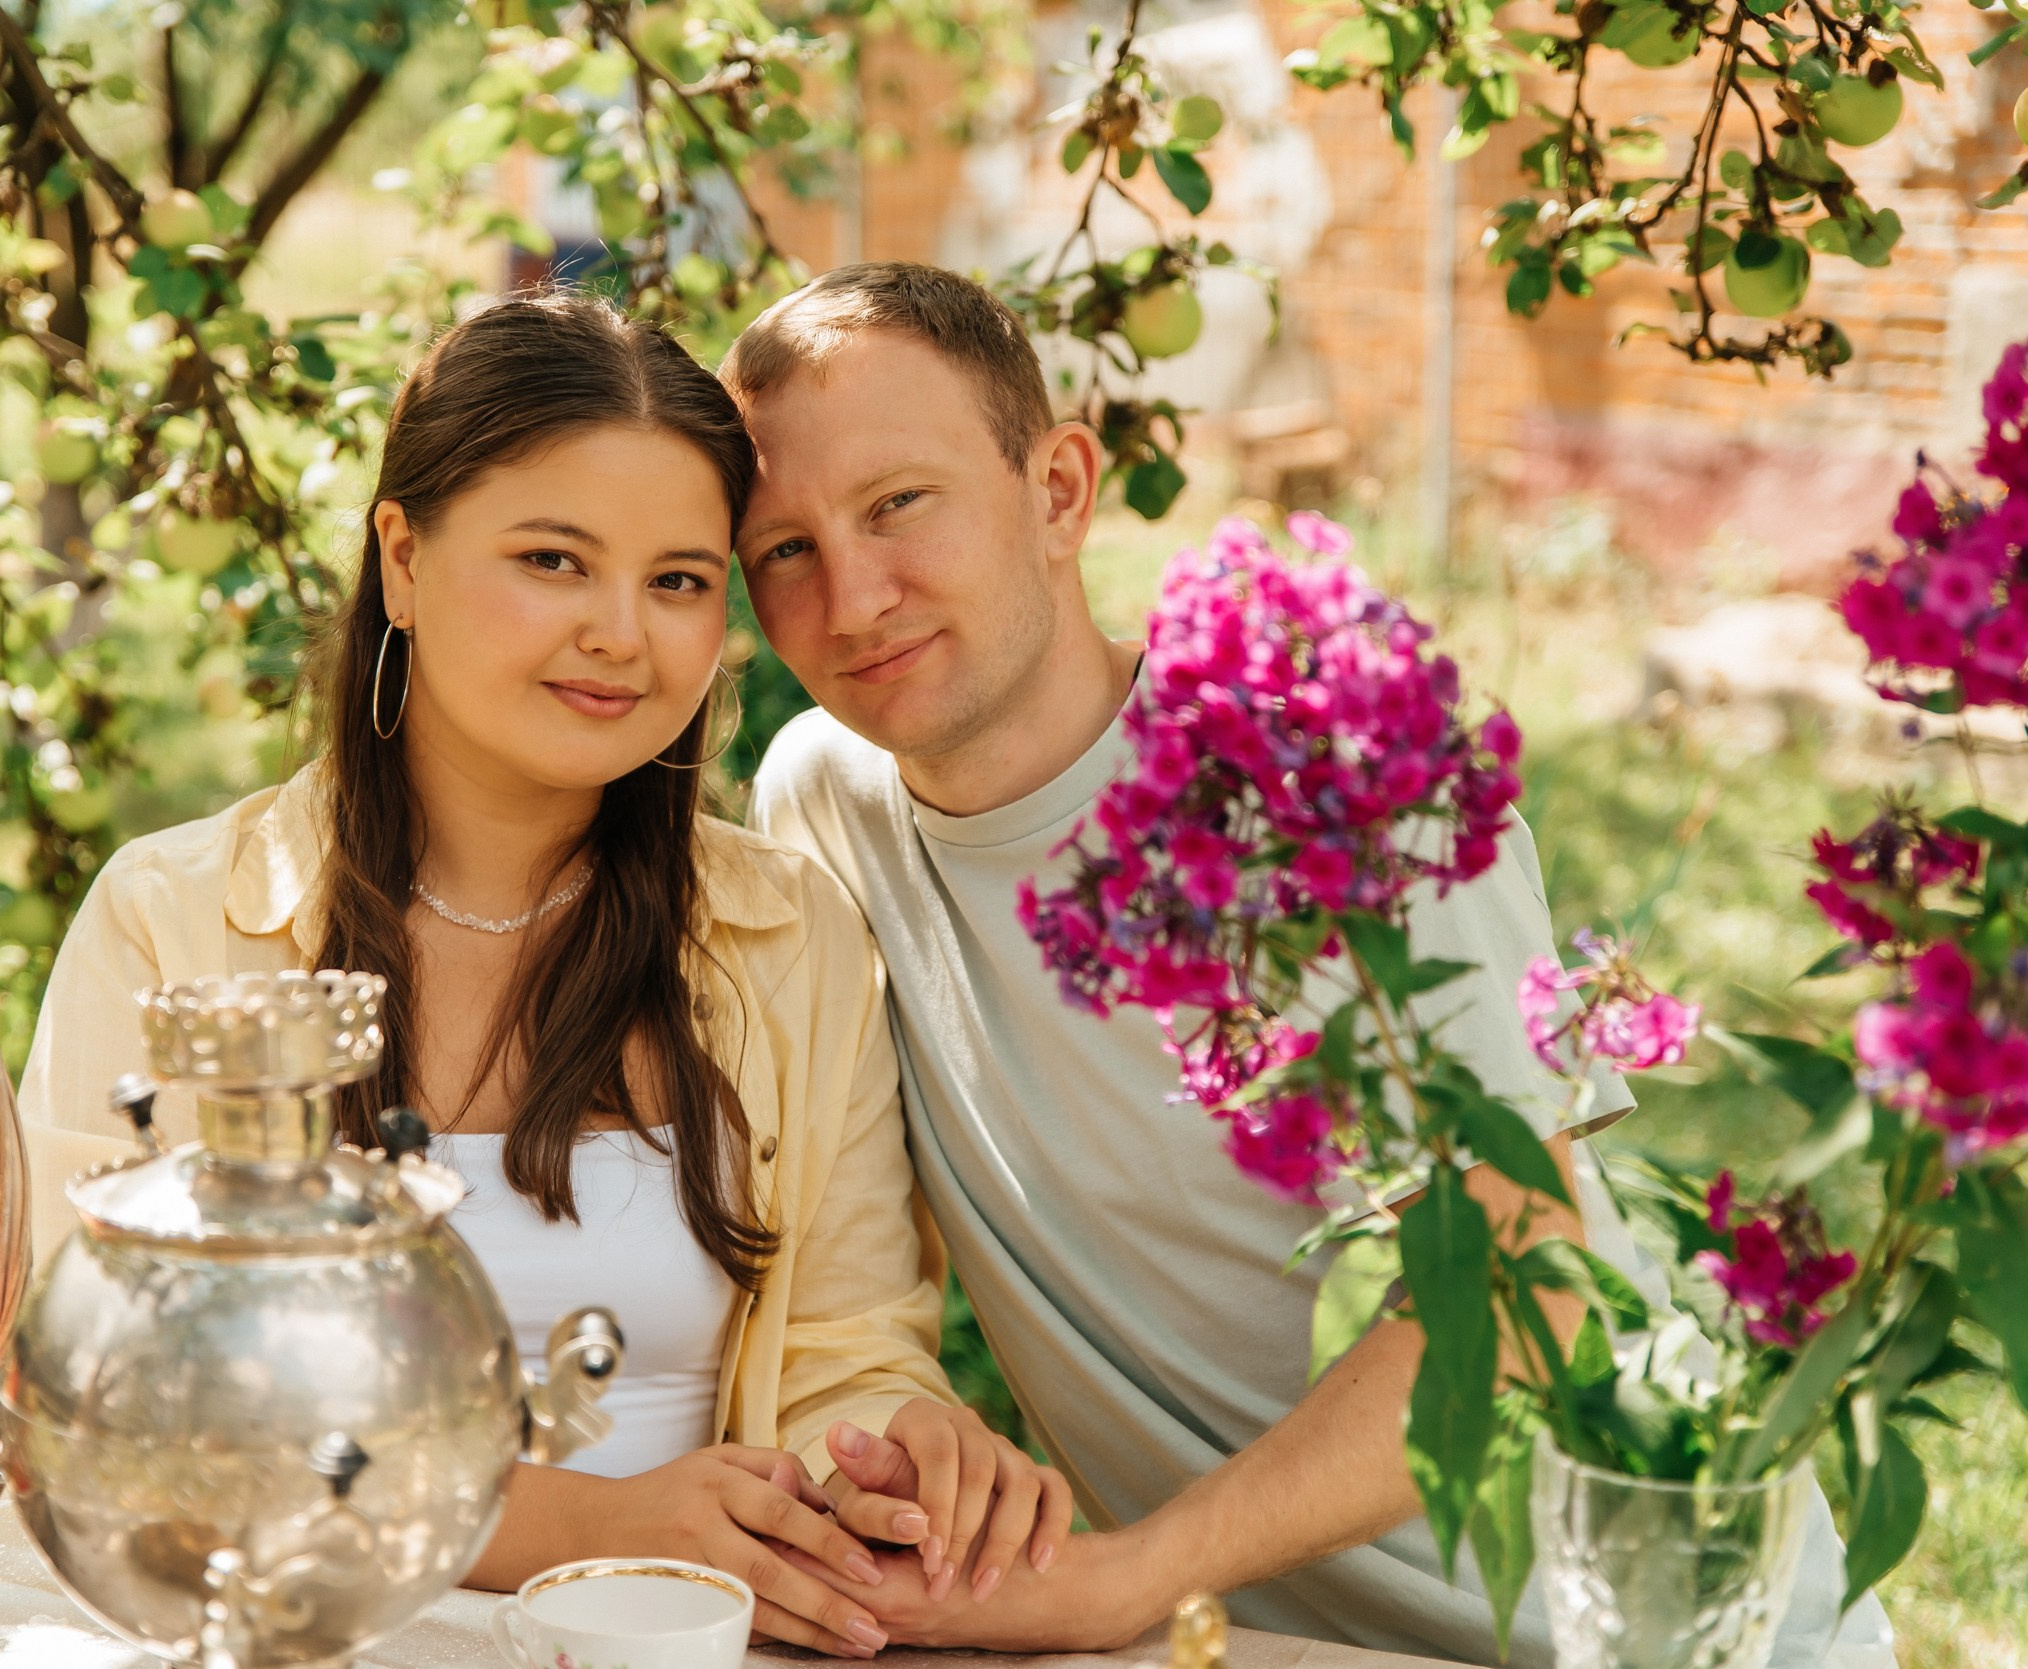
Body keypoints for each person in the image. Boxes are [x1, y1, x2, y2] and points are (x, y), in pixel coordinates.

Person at [727, 261, 1895, 1666]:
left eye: (897, 504)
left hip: (1639, 1616)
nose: (852, 598)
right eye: (782, 549)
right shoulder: (822, 802)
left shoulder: (1333, 793)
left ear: (1058, 490)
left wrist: (1125, 1577)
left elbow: (1530, 1303)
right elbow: (844, 1261)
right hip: (1243, 1638)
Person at [12, 293, 1069, 1660]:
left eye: (680, 579)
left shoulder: (786, 934)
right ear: (401, 555)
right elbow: (106, 1407)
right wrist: (580, 1518)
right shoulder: (173, 927)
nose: (622, 634)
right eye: (555, 560)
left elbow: (846, 1351)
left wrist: (894, 1450)